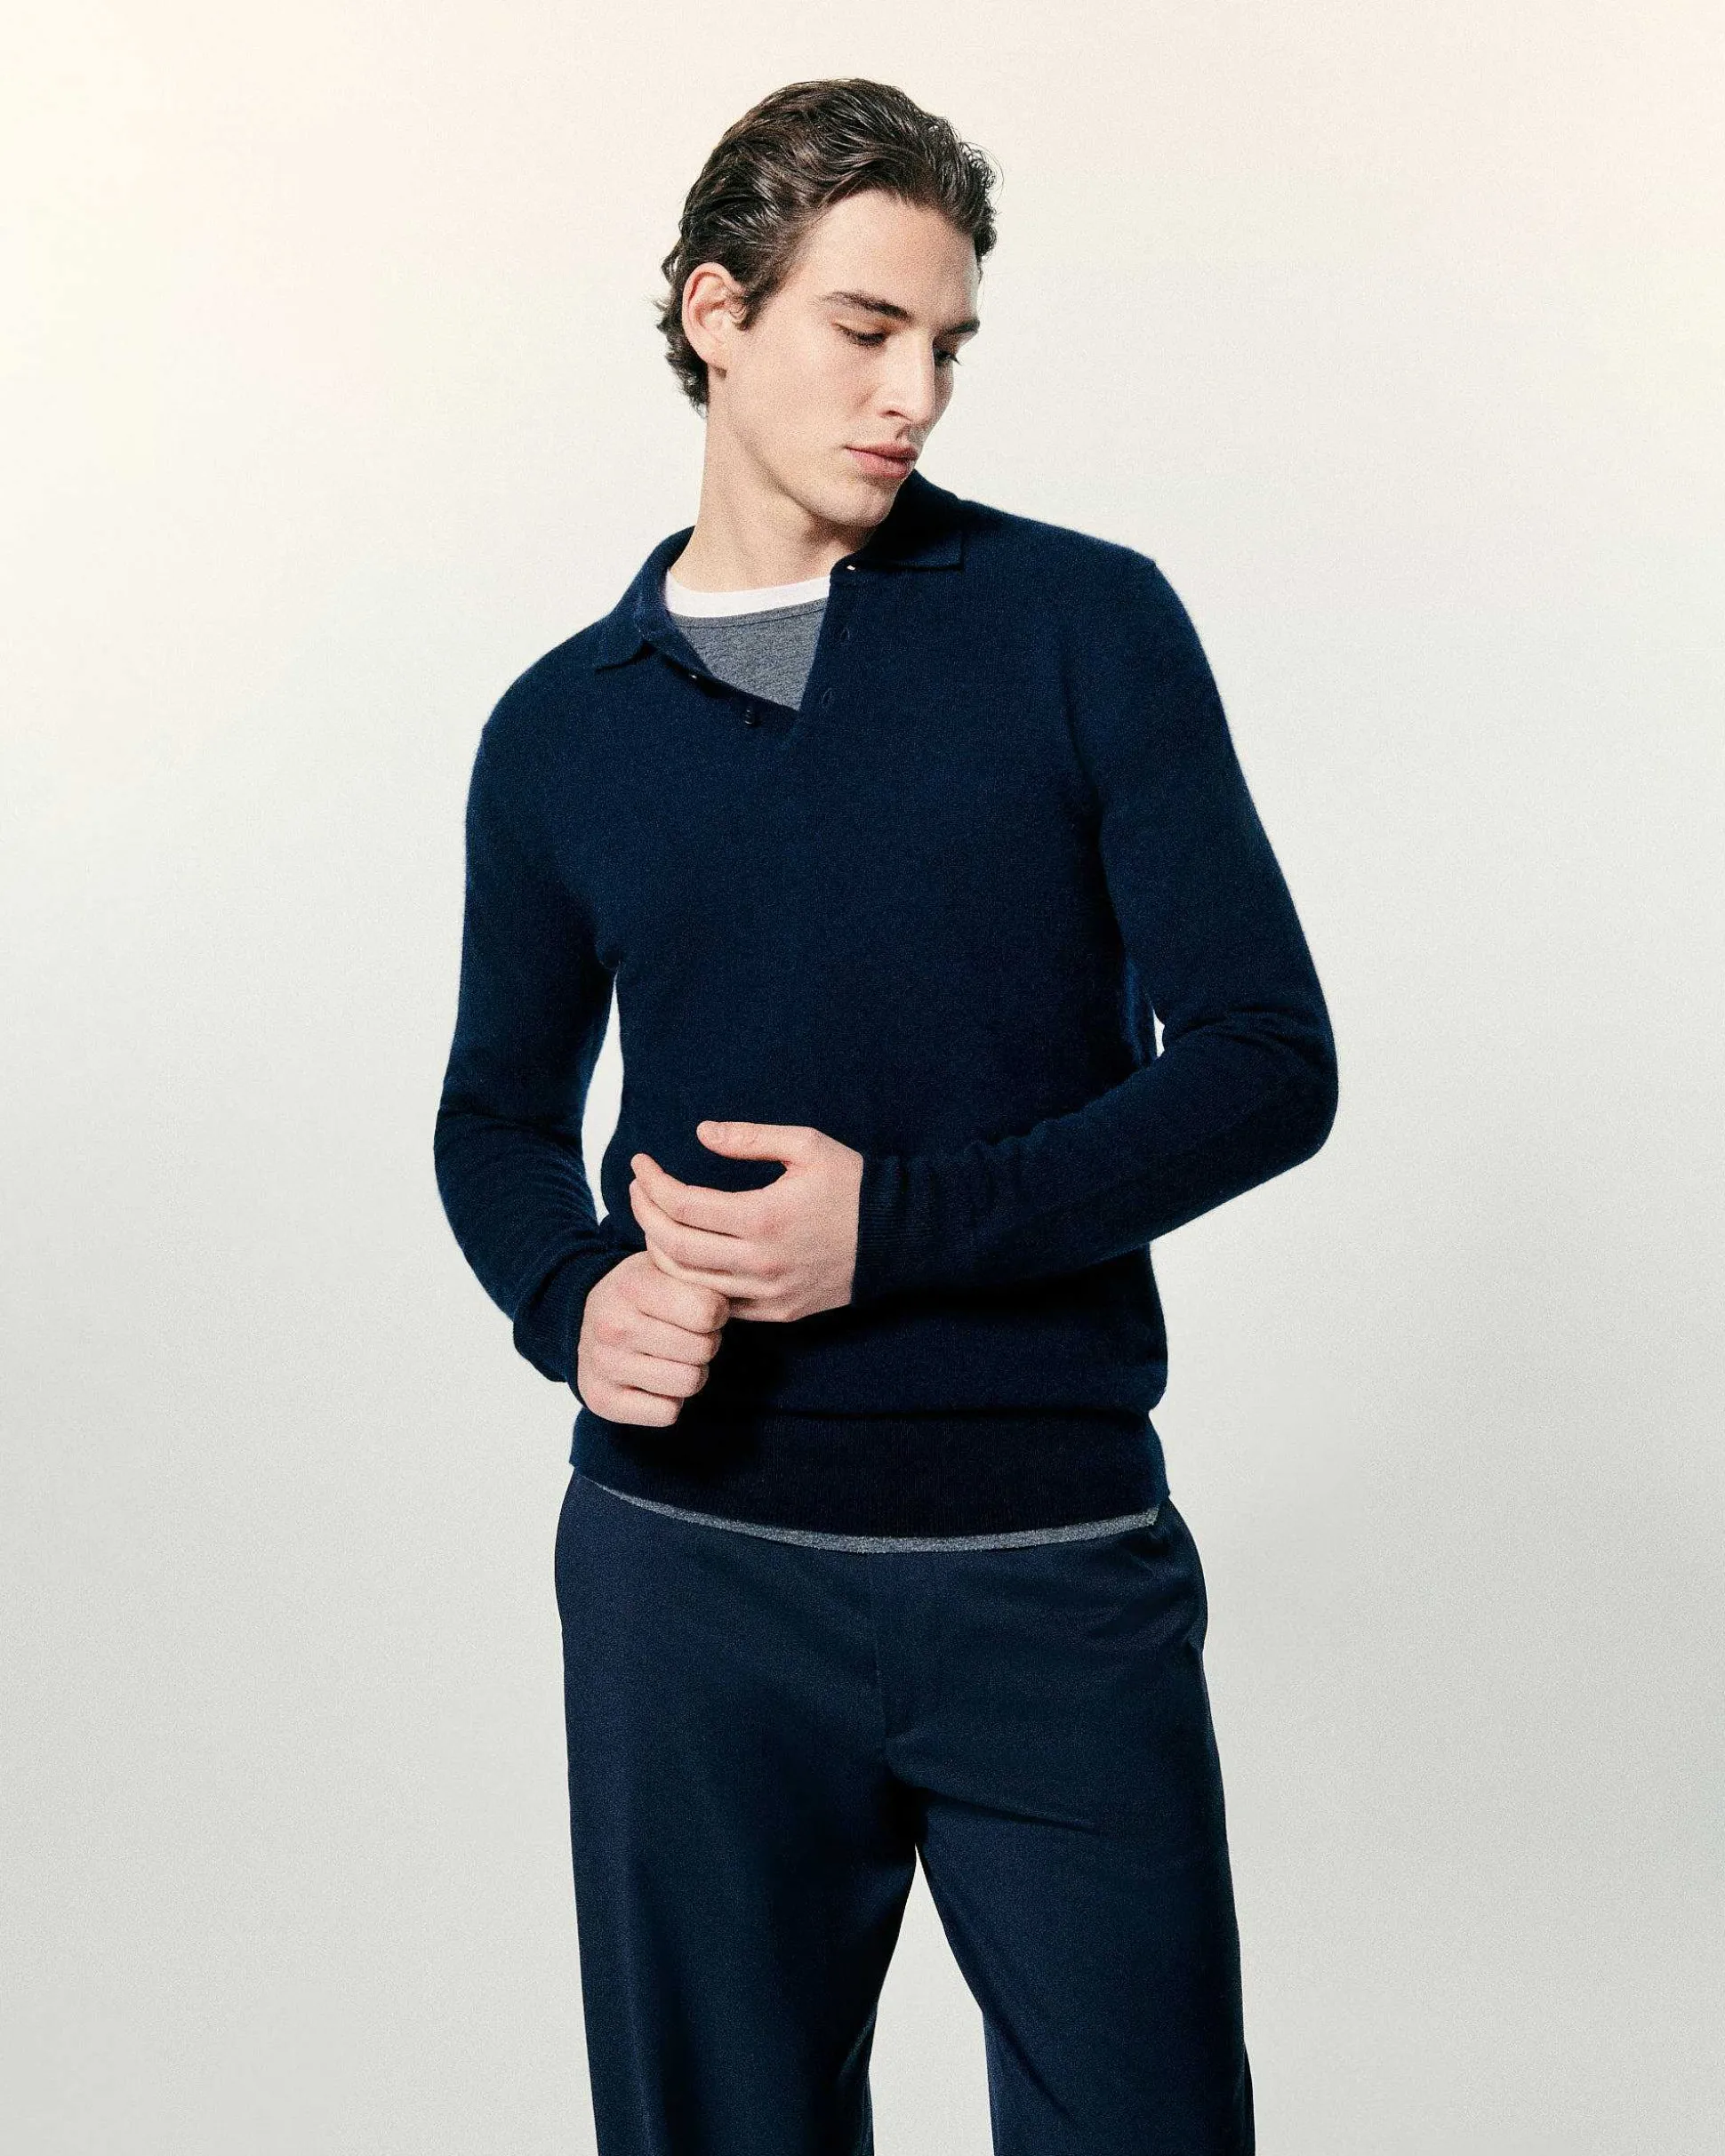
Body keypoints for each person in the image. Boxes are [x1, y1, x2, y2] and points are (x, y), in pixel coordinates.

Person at [434, 75, 1337, 2156]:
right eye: (865, 329)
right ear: (717, 310)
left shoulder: (1079, 625)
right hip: (686, 1577)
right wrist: (568, 1295)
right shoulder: (560, 732)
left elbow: (1264, 1061)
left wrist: (894, 1228)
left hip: (1052, 1563)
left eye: (945, 344)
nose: (912, 394)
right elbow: (493, 1115)